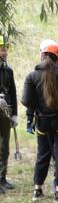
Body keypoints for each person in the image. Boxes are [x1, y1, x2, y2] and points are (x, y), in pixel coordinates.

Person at [21, 41, 58, 202]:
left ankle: (37, 191)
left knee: (42, 155)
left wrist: (34, 112)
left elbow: (26, 101)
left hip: (42, 122)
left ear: (42, 56)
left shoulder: (32, 76)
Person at [0, 35, 18, 193]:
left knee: (4, 146)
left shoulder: (8, 70)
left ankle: (2, 178)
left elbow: (12, 92)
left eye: (5, 49)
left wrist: (15, 115)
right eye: (1, 49)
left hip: (5, 113)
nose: (4, 52)